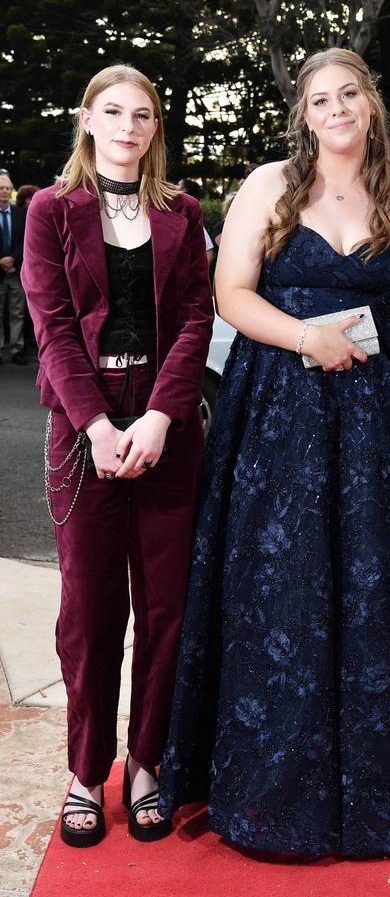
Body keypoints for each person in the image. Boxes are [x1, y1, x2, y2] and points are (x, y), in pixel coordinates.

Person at [158, 47, 390, 858]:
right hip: (280, 411)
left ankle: (388, 793)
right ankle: (272, 793)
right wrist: (307, 336)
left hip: (378, 419)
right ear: (304, 114)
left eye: (348, 95)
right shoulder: (267, 185)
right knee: (284, 585)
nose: (335, 110)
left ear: (370, 104)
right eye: (319, 99)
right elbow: (231, 293)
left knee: (380, 589)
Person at [21, 65, 214, 848]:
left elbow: (198, 318)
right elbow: (52, 323)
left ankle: (146, 765)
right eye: (114, 112)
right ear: (88, 121)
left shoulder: (184, 211)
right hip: (82, 434)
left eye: (143, 114)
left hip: (168, 434)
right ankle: (85, 769)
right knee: (90, 613)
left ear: (155, 127)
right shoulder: (49, 210)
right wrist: (98, 426)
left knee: (166, 609)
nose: (129, 126)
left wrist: (164, 416)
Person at [0, 169, 28, 365]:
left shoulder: (21, 214)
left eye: (7, 188)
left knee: (17, 312)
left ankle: (17, 349)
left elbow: (26, 240)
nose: (4, 191)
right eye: (1, 188)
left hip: (16, 270)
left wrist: (12, 260)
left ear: (12, 191)